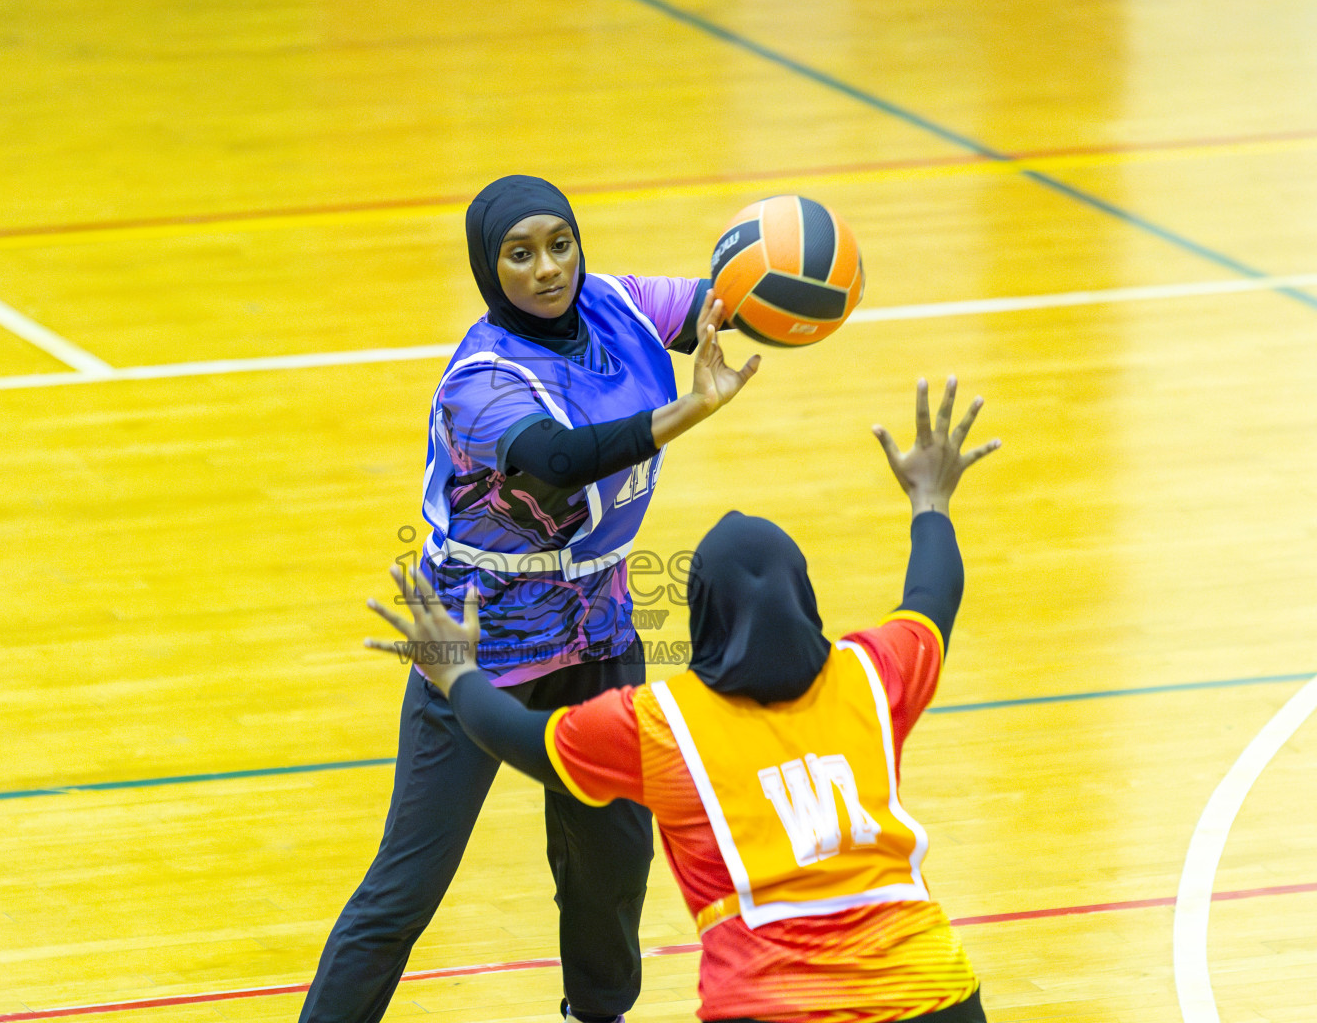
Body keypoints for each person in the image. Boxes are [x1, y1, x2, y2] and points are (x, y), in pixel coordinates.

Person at [366, 377, 1001, 1022]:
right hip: (931, 992)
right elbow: (932, 597)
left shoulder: (668, 726)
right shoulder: (871, 674)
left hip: (773, 1002)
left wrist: (456, 676)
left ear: (701, 615)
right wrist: (931, 498)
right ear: (805, 598)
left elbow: (523, 740)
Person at [299, 175, 761, 1023]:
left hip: (602, 632)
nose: (548, 269)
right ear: (489, 267)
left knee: (611, 868)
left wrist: (805, 282)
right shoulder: (479, 382)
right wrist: (691, 410)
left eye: (560, 244)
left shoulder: (618, 304)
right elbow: (556, 459)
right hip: (475, 647)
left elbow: (730, 298)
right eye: (520, 254)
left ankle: (599, 1016)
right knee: (407, 888)